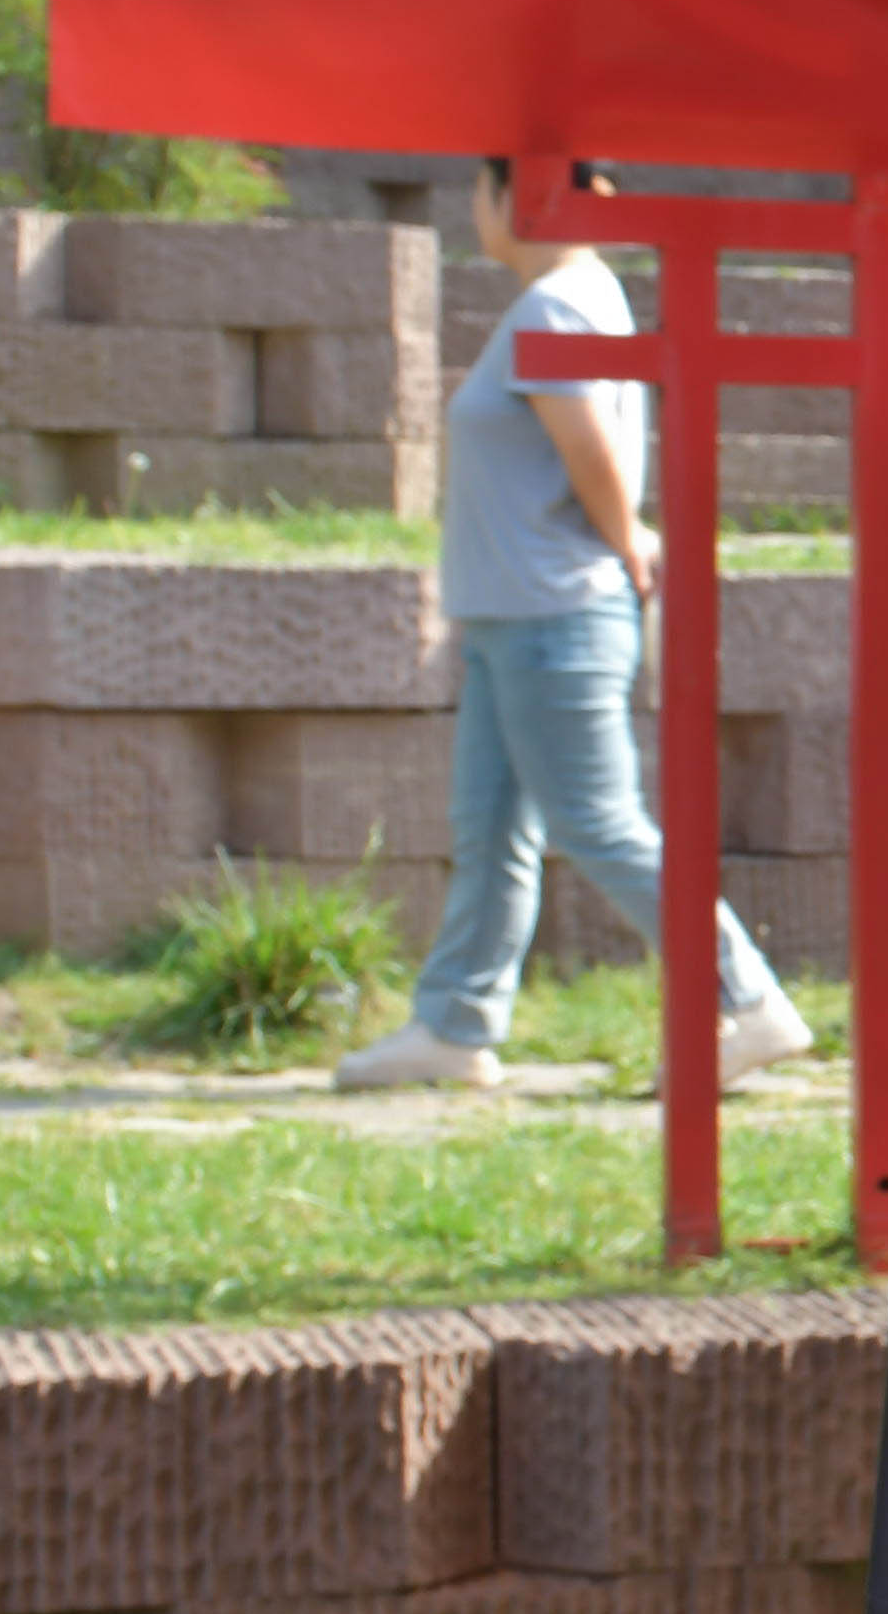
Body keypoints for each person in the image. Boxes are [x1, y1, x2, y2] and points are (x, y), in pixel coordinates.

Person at [343, 162, 808, 1088]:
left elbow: (587, 445)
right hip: (513, 615)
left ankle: (747, 999)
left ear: (515, 198)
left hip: (552, 615)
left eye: (480, 189)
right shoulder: (571, 298)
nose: (474, 209)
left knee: (598, 825)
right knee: (491, 831)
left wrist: (628, 537)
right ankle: (454, 1026)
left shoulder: (559, 305)